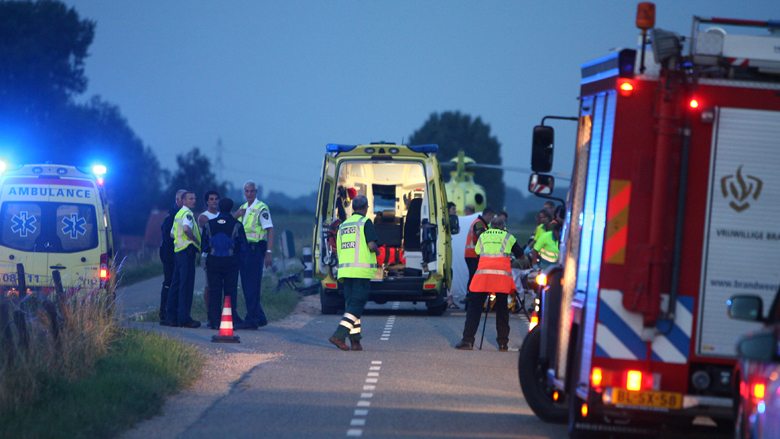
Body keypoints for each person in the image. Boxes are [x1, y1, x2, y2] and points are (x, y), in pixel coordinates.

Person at [456, 216, 523, 351]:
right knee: (502, 309)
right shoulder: (508, 236)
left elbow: (477, 252)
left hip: (483, 276)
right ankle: (503, 343)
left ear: (491, 226)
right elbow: (520, 254)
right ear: (503, 227)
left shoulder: (483, 236)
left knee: (474, 307)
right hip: (502, 278)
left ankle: (468, 340)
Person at [329, 195, 379, 351]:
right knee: (357, 304)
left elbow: (339, 248)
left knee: (352, 304)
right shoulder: (365, 223)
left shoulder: (343, 225)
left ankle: (355, 341)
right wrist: (378, 251)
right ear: (366, 208)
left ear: (353, 208)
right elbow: (371, 245)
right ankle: (339, 335)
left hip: (345, 271)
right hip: (360, 271)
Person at [201, 198, 247, 330]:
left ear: (219, 208)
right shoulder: (237, 225)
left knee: (214, 292)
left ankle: (215, 322)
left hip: (213, 262)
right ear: (231, 209)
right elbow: (243, 246)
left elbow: (204, 246)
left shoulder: (209, 224)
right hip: (231, 263)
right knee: (230, 293)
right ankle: (229, 322)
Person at [234, 181, 274, 330]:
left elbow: (270, 230)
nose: (249, 194)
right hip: (244, 251)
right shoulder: (242, 208)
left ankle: (251, 320)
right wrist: (236, 215)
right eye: (246, 191)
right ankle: (260, 317)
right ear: (243, 192)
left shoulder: (261, 208)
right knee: (246, 286)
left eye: (251, 191)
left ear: (256, 192)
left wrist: (268, 253)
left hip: (255, 251)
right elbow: (233, 227)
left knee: (252, 286)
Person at [164, 191, 201, 328]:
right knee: (186, 286)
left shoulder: (178, 214)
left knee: (176, 285)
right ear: (183, 201)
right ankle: (184, 318)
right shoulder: (187, 214)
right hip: (187, 253)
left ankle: (171, 317)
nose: (194, 200)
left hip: (178, 252)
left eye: (195, 198)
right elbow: (186, 229)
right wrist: (197, 242)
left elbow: (172, 234)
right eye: (191, 198)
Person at [158, 189, 186, 322]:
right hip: (170, 254)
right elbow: (168, 237)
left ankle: (174, 312)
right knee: (169, 283)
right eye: (183, 198)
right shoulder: (172, 215)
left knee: (177, 283)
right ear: (178, 200)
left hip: (177, 254)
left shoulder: (183, 214)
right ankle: (164, 313)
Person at [462, 207, 495, 307]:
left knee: (473, 277)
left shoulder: (480, 222)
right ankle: (471, 300)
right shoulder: (479, 223)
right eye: (491, 217)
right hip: (473, 254)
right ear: (488, 215)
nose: (491, 220)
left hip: (471, 254)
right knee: (474, 278)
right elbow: (480, 234)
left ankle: (470, 300)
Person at [199, 190, 220, 325]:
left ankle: (218, 313)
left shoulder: (220, 215)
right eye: (211, 199)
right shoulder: (203, 217)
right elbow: (214, 230)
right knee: (209, 285)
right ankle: (209, 314)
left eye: (216, 199)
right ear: (207, 201)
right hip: (208, 255)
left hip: (221, 254)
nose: (214, 201)